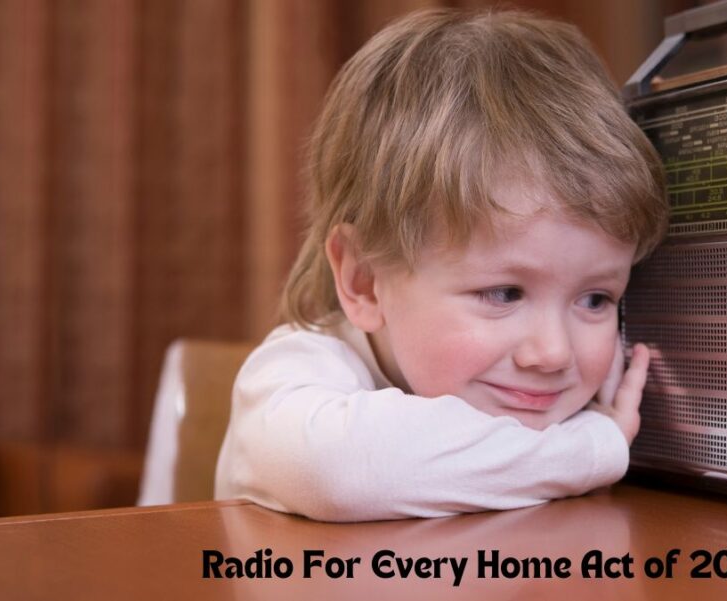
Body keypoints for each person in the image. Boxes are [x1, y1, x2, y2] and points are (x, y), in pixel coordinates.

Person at [214, 8, 667, 521]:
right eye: (504, 294)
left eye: (595, 299)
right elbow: (339, 473)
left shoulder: (527, 394)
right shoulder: (294, 375)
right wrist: (595, 446)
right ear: (364, 281)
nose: (553, 353)